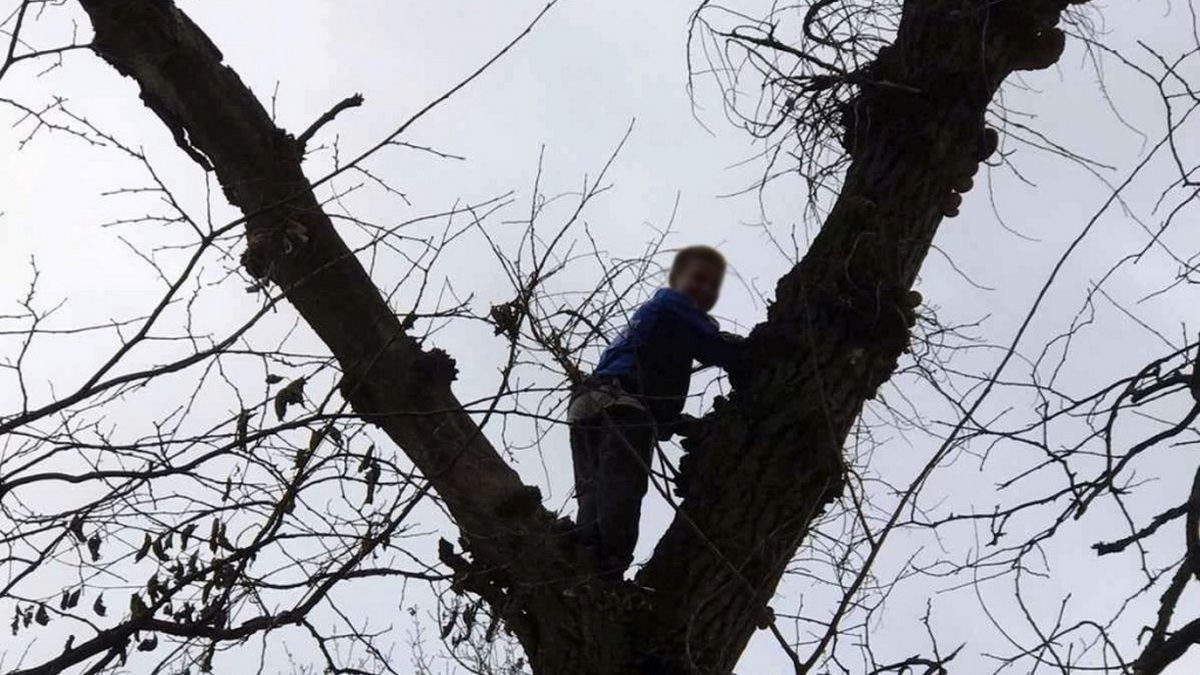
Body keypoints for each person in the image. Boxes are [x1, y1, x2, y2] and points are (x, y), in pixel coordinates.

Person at [568, 245, 745, 579]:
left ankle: (584, 562)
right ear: (678, 279)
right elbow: (717, 348)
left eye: (713, 284)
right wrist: (752, 356)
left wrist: (676, 422)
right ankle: (608, 570)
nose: (706, 289)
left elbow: (654, 371)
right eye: (699, 279)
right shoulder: (673, 305)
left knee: (593, 492)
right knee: (622, 486)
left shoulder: (652, 317)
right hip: (623, 401)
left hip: (588, 403)